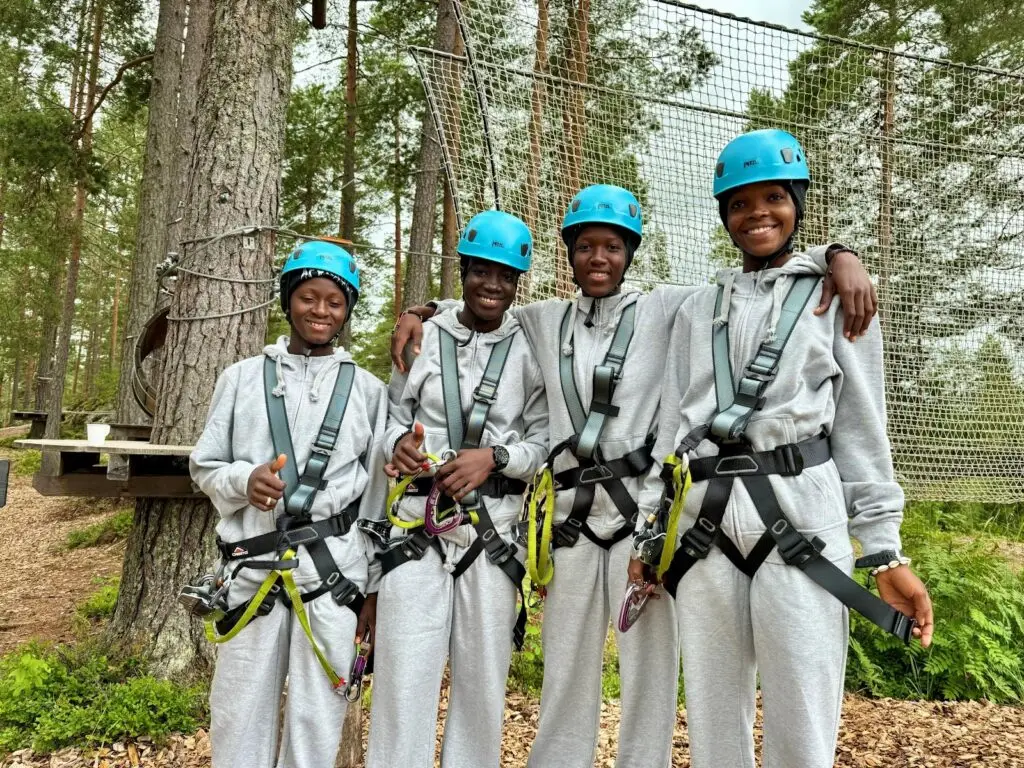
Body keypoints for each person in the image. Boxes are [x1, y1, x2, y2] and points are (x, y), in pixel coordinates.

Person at [390, 185, 878, 768]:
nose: (598, 258)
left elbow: (755, 279)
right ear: (569, 254)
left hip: (642, 520)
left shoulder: (667, 307)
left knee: (650, 677)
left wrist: (836, 256)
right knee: (565, 674)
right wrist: (421, 311)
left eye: (613, 247)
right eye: (585, 247)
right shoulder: (543, 321)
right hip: (571, 524)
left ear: (630, 253)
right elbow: (482, 306)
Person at [632, 128, 934, 768]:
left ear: (797, 202)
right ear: (724, 216)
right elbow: (671, 429)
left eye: (774, 197)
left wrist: (884, 551)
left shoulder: (836, 298)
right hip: (705, 524)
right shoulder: (697, 309)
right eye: (740, 204)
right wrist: (649, 535)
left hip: (802, 515)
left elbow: (862, 430)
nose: (757, 214)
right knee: (714, 719)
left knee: (803, 714)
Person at [189, 241, 388, 768]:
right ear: (287, 301)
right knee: (237, 714)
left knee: (317, 719)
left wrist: (372, 587)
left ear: (347, 310)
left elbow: (375, 499)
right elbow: (205, 465)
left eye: (334, 302)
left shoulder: (369, 392)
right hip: (251, 571)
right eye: (307, 297)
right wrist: (243, 480)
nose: (320, 311)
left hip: (333, 578)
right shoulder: (241, 379)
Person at [365, 210, 548, 768]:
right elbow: (391, 416)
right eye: (481, 272)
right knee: (402, 679)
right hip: (417, 524)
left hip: (491, 532)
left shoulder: (530, 347)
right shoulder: (424, 339)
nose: (492, 285)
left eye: (506, 276)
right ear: (463, 272)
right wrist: (397, 443)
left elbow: (543, 442)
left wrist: (496, 458)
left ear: (518, 284)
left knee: (482, 685)